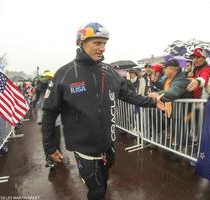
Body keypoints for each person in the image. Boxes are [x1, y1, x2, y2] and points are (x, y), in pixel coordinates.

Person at [41, 22, 164, 200]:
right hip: (84, 149)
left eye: (104, 43)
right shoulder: (64, 74)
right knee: (96, 191)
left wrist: (152, 102)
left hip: (108, 146)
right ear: (81, 43)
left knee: (103, 185)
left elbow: (127, 94)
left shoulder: (108, 71)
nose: (102, 48)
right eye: (97, 43)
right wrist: (50, 147)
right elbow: (49, 113)